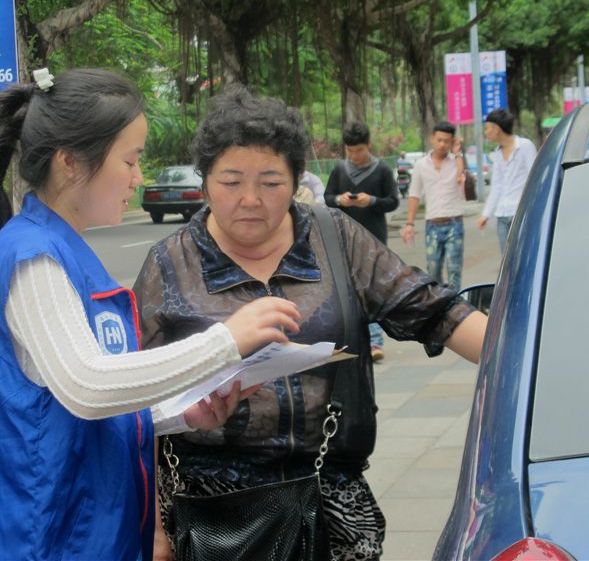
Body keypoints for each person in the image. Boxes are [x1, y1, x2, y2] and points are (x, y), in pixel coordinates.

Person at [0, 69, 301, 561]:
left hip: (76, 531)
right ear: (71, 162)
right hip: (40, 538)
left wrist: (179, 412)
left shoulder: (60, 249)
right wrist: (224, 342)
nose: (139, 177)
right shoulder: (34, 257)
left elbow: (63, 406)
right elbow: (87, 386)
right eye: (130, 160)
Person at [133, 88, 487, 561]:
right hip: (211, 510)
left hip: (331, 502)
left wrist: (526, 357)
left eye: (271, 182)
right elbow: (136, 401)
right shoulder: (170, 263)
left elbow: (433, 310)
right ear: (206, 182)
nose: (250, 199)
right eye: (231, 182)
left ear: (297, 181)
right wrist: (154, 529)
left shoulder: (335, 238)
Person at [324, 121, 399, 361]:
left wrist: (372, 201)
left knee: (372, 288)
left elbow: (393, 201)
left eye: (359, 150)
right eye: (350, 151)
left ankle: (375, 342)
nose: (354, 156)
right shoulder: (339, 170)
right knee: (346, 289)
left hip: (374, 239)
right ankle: (350, 340)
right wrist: (340, 200)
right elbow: (327, 197)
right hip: (343, 238)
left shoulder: (382, 170)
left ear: (369, 145)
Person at [400, 121, 466, 291]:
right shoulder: (421, 165)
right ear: (432, 139)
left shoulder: (456, 162)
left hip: (454, 223)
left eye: (447, 141)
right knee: (433, 269)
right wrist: (409, 224)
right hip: (433, 225)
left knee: (454, 270)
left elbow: (460, 179)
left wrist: (458, 153)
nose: (443, 144)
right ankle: (438, 303)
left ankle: (455, 304)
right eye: (439, 140)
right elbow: (414, 194)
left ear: (452, 142)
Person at [477, 108, 537, 253]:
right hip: (502, 215)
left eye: (488, 128)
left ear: (497, 129)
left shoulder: (525, 146)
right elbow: (497, 186)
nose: (486, 132)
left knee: (524, 254)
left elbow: (534, 178)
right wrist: (486, 214)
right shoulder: (497, 153)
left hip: (521, 213)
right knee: (506, 258)